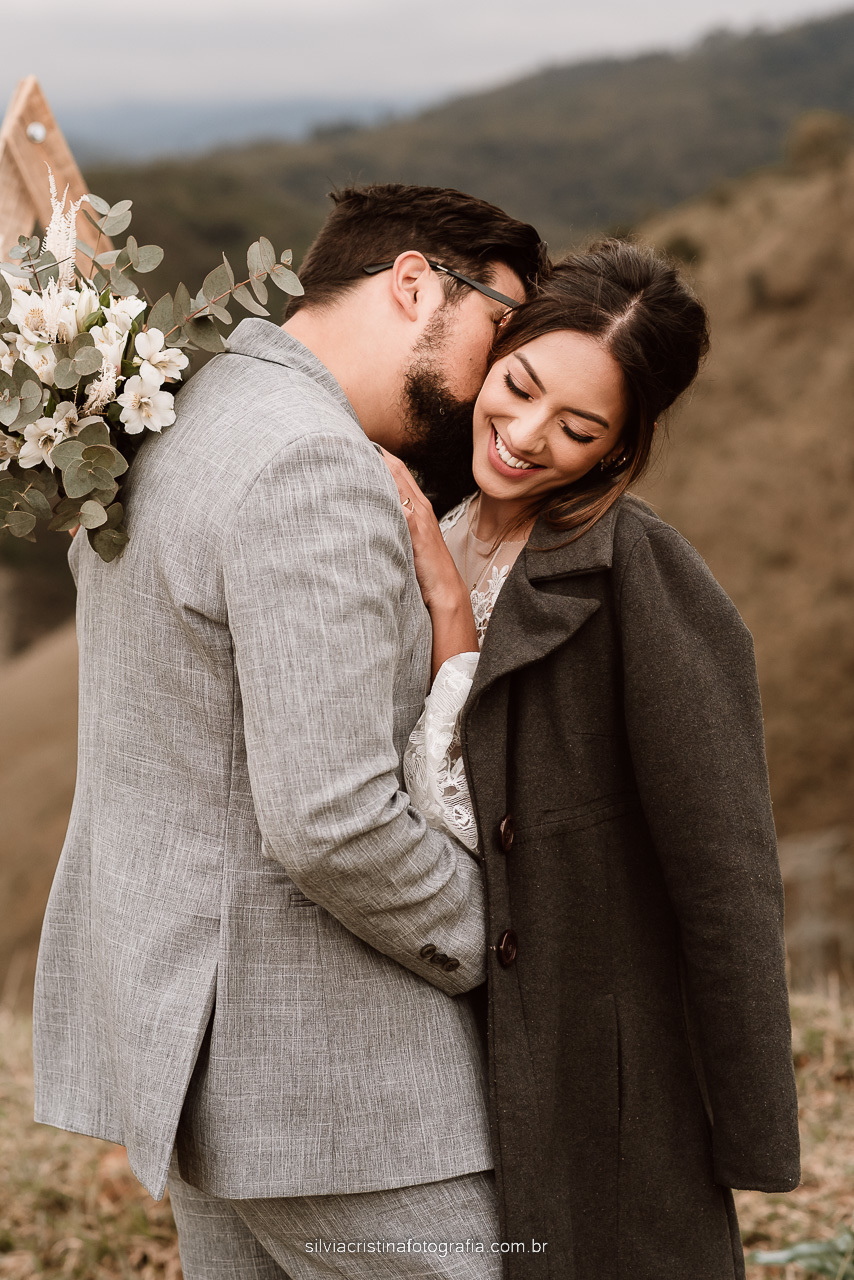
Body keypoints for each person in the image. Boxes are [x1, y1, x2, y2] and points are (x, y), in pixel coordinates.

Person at [32, 184, 549, 1280]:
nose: (486, 395)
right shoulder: (310, 462)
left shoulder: (174, 411)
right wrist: (497, 945)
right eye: (498, 329)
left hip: (197, 1050)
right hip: (333, 1079)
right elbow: (331, 817)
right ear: (414, 282)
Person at [383, 240, 801, 1280]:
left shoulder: (640, 571)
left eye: (578, 430)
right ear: (496, 346)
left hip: (590, 1058)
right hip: (432, 1041)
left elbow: (723, 867)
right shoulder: (430, 505)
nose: (525, 437)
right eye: (517, 388)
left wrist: (749, 1121)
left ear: (619, 448)